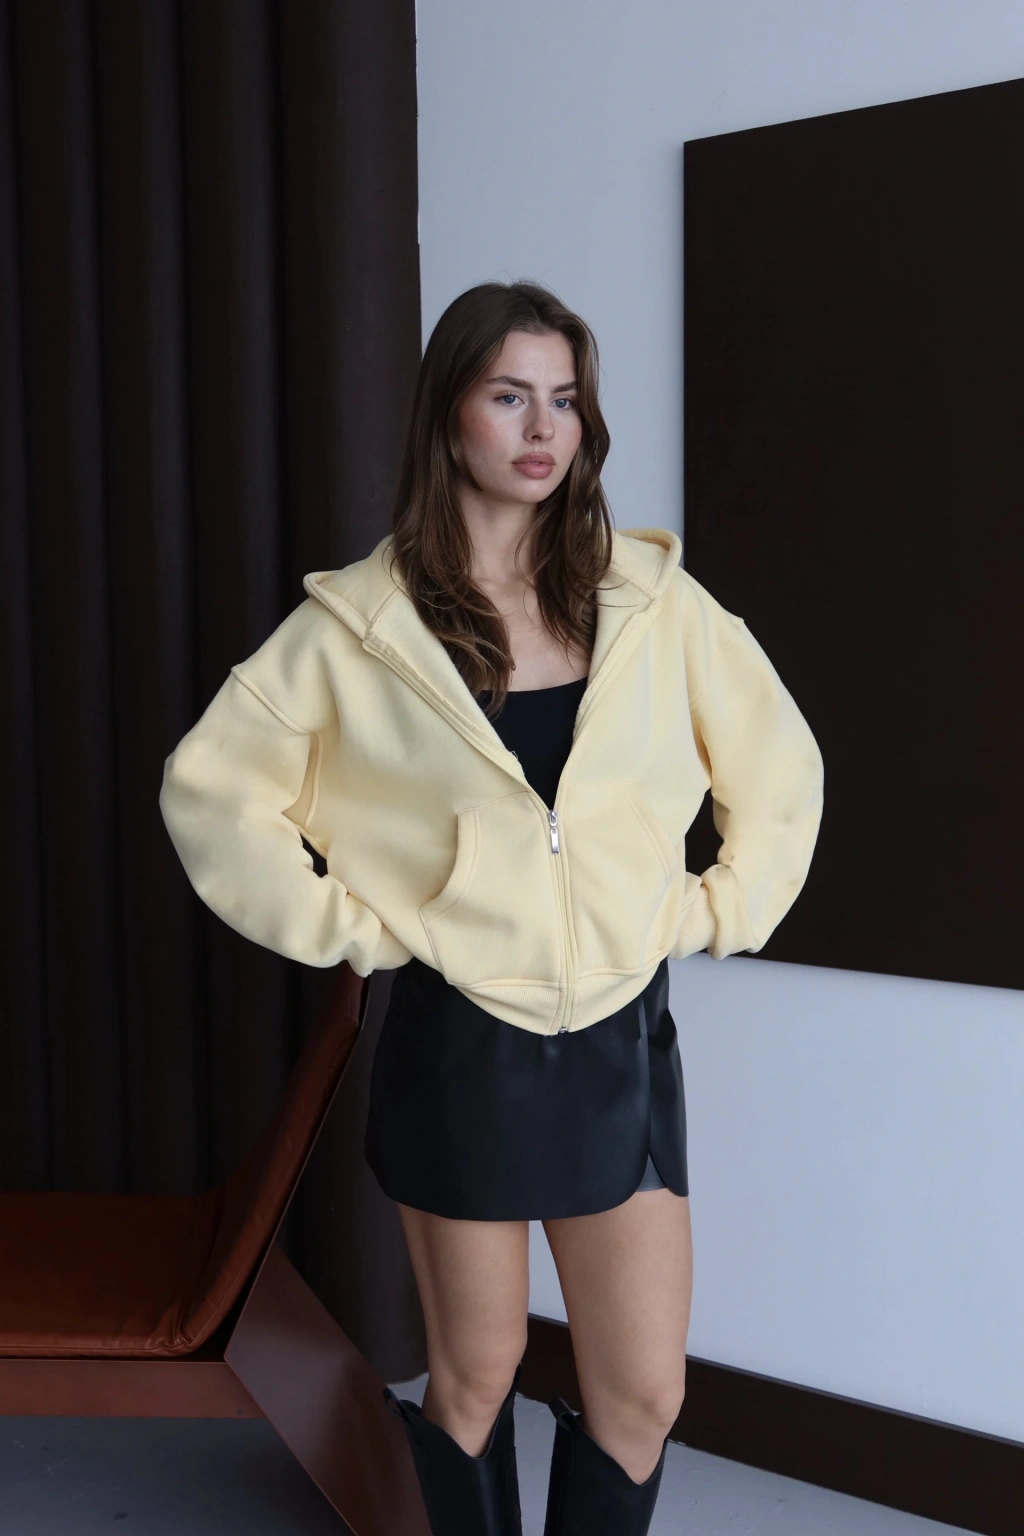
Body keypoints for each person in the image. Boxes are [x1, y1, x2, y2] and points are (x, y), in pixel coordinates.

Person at [160, 280, 825, 1536]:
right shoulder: (362, 625)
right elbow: (211, 791)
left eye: (563, 400)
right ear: (447, 413)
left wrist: (710, 910)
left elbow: (780, 770)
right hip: (464, 1043)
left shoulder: (648, 600)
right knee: (474, 1379)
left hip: (620, 1037)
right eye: (509, 395)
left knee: (643, 1390)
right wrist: (364, 929)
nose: (541, 428)